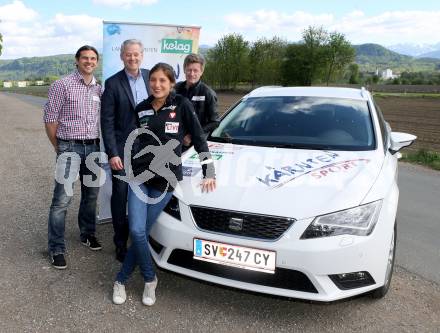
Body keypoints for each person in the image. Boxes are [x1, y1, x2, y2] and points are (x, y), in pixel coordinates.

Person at [112, 62, 216, 306]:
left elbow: (200, 139)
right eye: (153, 81)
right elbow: (133, 139)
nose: (157, 85)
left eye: (162, 81)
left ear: (171, 83)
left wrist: (208, 171)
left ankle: (121, 280)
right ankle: (149, 278)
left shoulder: (182, 105)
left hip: (165, 182)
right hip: (140, 178)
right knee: (137, 231)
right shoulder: (141, 108)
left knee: (141, 233)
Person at [44, 45, 102, 269]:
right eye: (85, 58)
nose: (89, 61)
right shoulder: (62, 85)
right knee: (62, 200)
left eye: (93, 58)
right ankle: (56, 247)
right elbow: (50, 119)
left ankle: (87, 233)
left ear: (96, 62)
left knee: (91, 196)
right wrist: (59, 148)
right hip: (69, 147)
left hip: (94, 148)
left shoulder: (99, 89)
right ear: (77, 60)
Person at [101, 39, 150, 262]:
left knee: (145, 196)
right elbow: (107, 122)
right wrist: (112, 153)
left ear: (142, 55)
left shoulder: (152, 78)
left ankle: (143, 241)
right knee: (120, 197)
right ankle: (121, 244)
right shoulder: (112, 83)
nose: (132, 58)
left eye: (136, 54)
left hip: (150, 151)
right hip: (122, 151)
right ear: (122, 56)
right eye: (128, 54)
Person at [174, 53, 219, 147]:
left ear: (201, 72)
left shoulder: (208, 93)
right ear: (184, 70)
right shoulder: (176, 89)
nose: (192, 74)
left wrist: (193, 135)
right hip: (175, 140)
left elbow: (214, 122)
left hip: (195, 144)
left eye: (195, 70)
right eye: (189, 70)